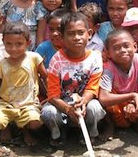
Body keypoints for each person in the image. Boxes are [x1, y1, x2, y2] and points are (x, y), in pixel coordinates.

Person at [41, 12, 106, 146]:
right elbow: (53, 95)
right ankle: (58, 133)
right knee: (48, 112)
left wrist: (84, 101)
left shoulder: (95, 58)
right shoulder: (57, 59)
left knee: (95, 108)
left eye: (81, 33)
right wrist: (68, 110)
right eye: (71, 34)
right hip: (62, 104)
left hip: (84, 104)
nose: (77, 37)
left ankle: (89, 131)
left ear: (89, 34)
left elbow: (92, 89)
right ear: (62, 37)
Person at [0, 23, 47, 146]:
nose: (13, 49)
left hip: (29, 103)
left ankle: (25, 130)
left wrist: (51, 96)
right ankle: (7, 127)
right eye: (9, 44)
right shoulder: (2, 64)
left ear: (28, 42)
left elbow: (46, 77)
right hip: (6, 104)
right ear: (3, 43)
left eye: (19, 44)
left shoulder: (34, 58)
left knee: (35, 123)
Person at [99, 30, 138, 140]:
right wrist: (132, 96)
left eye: (126, 46)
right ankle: (110, 126)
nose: (122, 50)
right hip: (115, 106)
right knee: (101, 103)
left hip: (132, 105)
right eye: (116, 48)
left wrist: (134, 101)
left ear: (135, 46)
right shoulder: (108, 67)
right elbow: (103, 98)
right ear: (108, 53)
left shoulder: (137, 59)